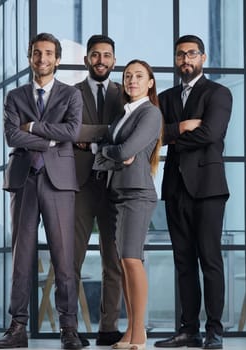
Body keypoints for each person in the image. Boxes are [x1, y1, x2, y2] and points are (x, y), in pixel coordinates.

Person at [0, 33, 83, 350]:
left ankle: (69, 330)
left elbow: (72, 131)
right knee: (21, 258)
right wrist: (48, 140)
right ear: (29, 58)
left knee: (64, 259)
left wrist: (30, 127)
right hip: (24, 179)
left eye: (48, 53)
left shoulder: (71, 95)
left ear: (57, 59)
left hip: (59, 181)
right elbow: (11, 137)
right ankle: (17, 328)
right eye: (36, 53)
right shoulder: (14, 96)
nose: (42, 58)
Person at [154, 35, 232, 350]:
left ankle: (214, 331)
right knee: (183, 262)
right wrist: (180, 128)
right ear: (175, 59)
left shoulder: (219, 93)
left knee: (210, 260)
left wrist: (170, 137)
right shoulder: (165, 97)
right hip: (175, 188)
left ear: (203, 57)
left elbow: (211, 133)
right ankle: (188, 330)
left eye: (192, 54)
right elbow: (153, 135)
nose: (186, 60)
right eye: (180, 55)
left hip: (208, 189)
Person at [93, 59, 162, 350]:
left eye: (138, 76)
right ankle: (130, 331)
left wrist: (107, 150)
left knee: (132, 260)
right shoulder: (122, 115)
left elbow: (125, 151)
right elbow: (110, 156)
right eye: (128, 76)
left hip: (137, 194)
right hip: (117, 193)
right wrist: (110, 152)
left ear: (150, 82)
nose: (132, 80)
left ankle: (139, 332)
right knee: (124, 263)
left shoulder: (151, 114)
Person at [73, 35, 124, 346]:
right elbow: (68, 131)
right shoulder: (70, 94)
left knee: (113, 261)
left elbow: (129, 132)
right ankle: (69, 326)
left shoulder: (125, 93)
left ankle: (108, 328)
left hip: (115, 185)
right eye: (95, 55)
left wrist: (89, 138)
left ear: (114, 60)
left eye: (106, 55)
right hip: (78, 185)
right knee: (71, 260)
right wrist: (109, 134)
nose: (101, 60)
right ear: (87, 60)